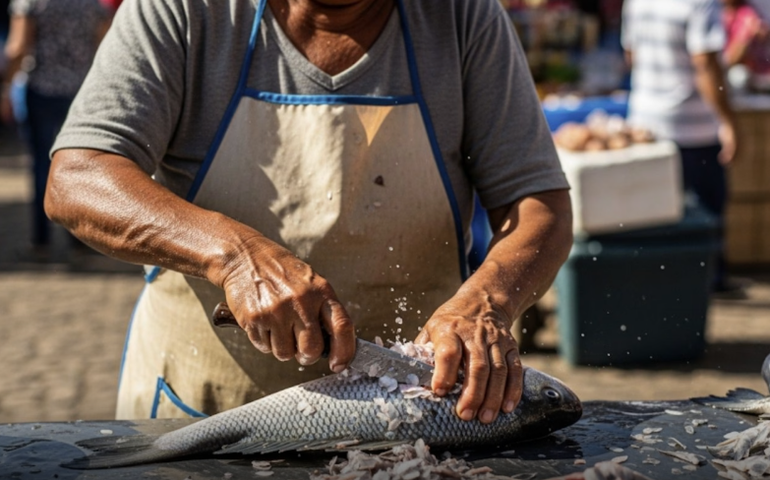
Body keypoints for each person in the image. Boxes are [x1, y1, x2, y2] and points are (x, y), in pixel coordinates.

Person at [45, 0, 573, 422]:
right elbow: (80, 175)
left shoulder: (463, 18)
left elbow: (538, 203)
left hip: (414, 417)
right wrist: (233, 255)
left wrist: (489, 301)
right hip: (201, 414)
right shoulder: (184, 10)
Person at [622, 0, 738, 294]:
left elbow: (631, 54)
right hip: (693, 128)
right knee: (705, 217)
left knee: (658, 217)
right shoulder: (701, 3)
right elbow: (705, 63)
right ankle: (704, 287)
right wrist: (728, 122)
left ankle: (671, 287)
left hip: (645, 120)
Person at [2, 0, 110, 258]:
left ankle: (41, 241)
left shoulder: (31, 3)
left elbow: (18, 48)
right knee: (80, 164)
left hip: (42, 90)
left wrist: (5, 85)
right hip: (81, 92)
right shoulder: (90, 5)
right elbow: (105, 46)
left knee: (42, 165)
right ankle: (82, 239)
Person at [721, 0, 770, 90]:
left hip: (753, 71)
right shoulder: (719, 13)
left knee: (738, 75)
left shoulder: (747, 14)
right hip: (725, 68)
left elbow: (733, 58)